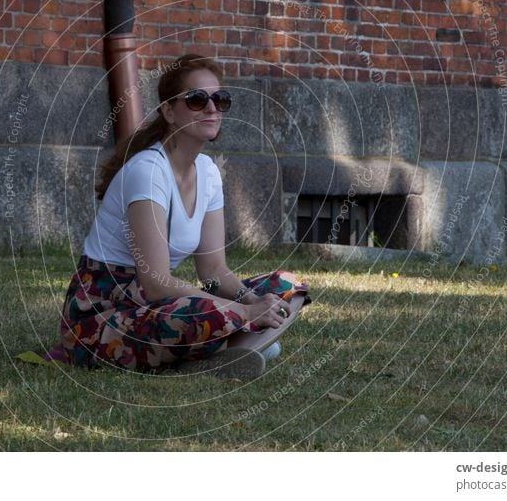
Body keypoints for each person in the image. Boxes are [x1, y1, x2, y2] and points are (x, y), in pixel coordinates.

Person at [45, 54, 310, 379]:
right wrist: (245, 311)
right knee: (204, 314)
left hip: (153, 305)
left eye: (220, 99)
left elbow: (213, 272)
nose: (212, 108)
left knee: (288, 285)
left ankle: (227, 348)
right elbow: (156, 284)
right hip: (104, 313)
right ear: (169, 111)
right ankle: (234, 346)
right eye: (198, 100)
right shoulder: (148, 171)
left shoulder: (208, 172)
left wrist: (255, 300)